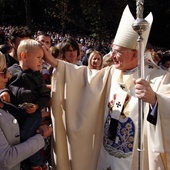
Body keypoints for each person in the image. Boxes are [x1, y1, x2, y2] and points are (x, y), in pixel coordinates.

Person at [42, 5, 170, 170]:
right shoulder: (111, 73)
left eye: (118, 51)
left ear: (135, 54)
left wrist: (154, 100)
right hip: (105, 154)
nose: (111, 56)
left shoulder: (159, 78)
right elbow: (83, 78)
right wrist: (54, 62)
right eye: (112, 50)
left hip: (136, 160)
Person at [1, 39, 51, 170]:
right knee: (17, 140)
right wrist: (5, 92)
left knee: (26, 136)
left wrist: (36, 106)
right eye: (39, 58)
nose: (41, 61)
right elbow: (3, 85)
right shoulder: (11, 71)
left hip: (32, 115)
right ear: (24, 56)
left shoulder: (38, 77)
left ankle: (37, 164)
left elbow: (45, 96)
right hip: (14, 115)